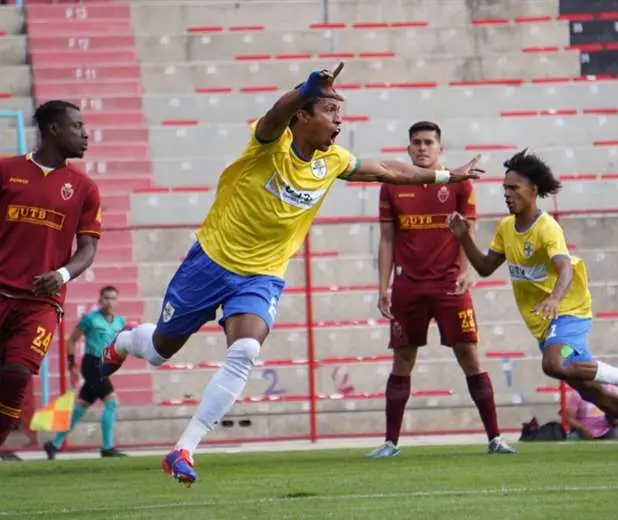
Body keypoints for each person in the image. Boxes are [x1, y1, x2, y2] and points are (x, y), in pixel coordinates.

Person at [99, 63, 482, 486]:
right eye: (331, 112)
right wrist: (305, 89)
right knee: (159, 350)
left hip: (261, 276)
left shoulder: (333, 161)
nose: (339, 122)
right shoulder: (270, 142)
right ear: (303, 116)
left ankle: (184, 448)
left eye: (341, 113)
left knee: (245, 350)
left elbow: (389, 170)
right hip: (209, 263)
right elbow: (274, 115)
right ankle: (124, 342)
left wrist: (448, 174)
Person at [447, 149, 618, 452]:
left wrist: (555, 299)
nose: (506, 194)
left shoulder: (546, 227)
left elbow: (564, 270)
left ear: (532, 191)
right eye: (504, 188)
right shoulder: (507, 228)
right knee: (591, 393)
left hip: (568, 309)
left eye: (513, 188)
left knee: (554, 364)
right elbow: (483, 268)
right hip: (544, 320)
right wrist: (463, 237)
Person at [369, 121, 513, 458]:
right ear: (408, 149)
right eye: (416, 143)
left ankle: (495, 438)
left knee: (469, 356)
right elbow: (387, 239)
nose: (422, 148)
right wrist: (383, 287)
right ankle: (390, 442)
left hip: (449, 285)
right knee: (402, 358)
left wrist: (465, 271)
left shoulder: (459, 186)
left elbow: (468, 230)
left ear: (440, 149)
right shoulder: (391, 187)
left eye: (428, 143)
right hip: (407, 287)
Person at [0, 100, 100, 449]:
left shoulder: (85, 189)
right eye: (77, 126)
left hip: (41, 301)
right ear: (53, 129)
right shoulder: (6, 170)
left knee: (17, 373)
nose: (85, 134)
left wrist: (61, 275)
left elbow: (87, 249)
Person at [43, 286, 127, 459]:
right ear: (100, 300)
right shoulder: (90, 319)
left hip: (105, 365)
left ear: (117, 301)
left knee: (80, 408)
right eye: (106, 298)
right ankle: (107, 447)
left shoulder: (120, 322)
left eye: (112, 298)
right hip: (92, 364)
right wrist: (71, 364)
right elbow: (72, 340)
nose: (109, 302)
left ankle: (53, 444)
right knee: (111, 403)